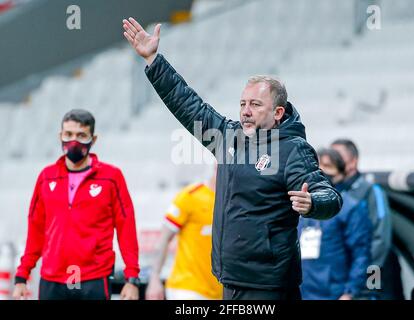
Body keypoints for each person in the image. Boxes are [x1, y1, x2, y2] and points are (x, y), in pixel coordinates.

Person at [123, 18, 342, 300]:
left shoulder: (292, 149)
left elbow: (331, 196)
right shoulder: (229, 137)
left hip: (269, 287)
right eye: (242, 104)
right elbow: (189, 105)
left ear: (277, 113)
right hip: (230, 281)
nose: (246, 111)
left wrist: (313, 203)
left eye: (255, 104)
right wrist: (154, 60)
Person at [12, 109, 140, 300]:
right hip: (52, 280)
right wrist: (22, 276)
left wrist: (132, 279)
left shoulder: (112, 178)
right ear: (60, 136)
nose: (74, 141)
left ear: (93, 139)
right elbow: (35, 230)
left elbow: (126, 227)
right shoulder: (46, 178)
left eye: (81, 135)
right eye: (68, 134)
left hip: (94, 278)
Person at [331, 138, 404, 300]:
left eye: (337, 157)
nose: (331, 162)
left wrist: (366, 278)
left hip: (374, 269)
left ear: (352, 162)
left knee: (372, 296)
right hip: (349, 276)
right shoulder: (332, 194)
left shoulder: (371, 191)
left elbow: (380, 240)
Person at [299, 148, 372, 300]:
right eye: (317, 165)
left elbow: (361, 255)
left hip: (334, 293)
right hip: (303, 292)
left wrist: (349, 293)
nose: (321, 170)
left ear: (340, 173)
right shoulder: (301, 205)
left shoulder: (351, 208)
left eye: (328, 166)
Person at [146, 168, 222, 300]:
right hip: (187, 289)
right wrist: (154, 278)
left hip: (220, 291)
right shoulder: (190, 196)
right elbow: (164, 239)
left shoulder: (233, 201)